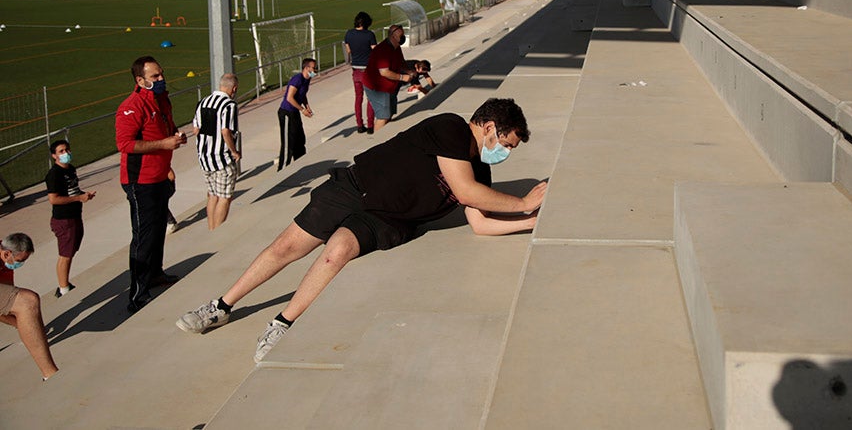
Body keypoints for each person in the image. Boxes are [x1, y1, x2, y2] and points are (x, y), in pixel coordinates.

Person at [177, 97, 547, 363]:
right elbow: (466, 192)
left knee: (337, 250)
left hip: (388, 219)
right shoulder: (449, 126)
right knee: (287, 246)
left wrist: (534, 220)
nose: (505, 152)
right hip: (353, 187)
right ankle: (221, 306)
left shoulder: (479, 170)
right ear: (488, 127)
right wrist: (524, 203)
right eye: (507, 143)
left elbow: (479, 223)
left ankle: (282, 323)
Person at [115, 55, 186, 312]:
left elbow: (166, 128)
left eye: (161, 74)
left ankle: (155, 274)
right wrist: (163, 144)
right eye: (155, 76)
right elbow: (125, 144)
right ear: (140, 80)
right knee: (143, 236)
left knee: (157, 231)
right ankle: (137, 294)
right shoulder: (131, 106)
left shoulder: (162, 99)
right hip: (140, 182)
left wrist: (175, 137)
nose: (161, 79)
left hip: (160, 177)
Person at [1, 233, 59, 380]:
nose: (20, 264)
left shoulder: (5, 258)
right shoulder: (7, 255)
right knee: (28, 301)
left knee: (25, 305)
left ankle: (49, 372)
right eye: (20, 261)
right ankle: (51, 374)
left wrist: (26, 327)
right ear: (7, 253)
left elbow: (6, 304)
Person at [46, 139, 96, 297]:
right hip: (64, 220)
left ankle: (65, 285)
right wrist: (78, 198)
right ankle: (63, 288)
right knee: (65, 255)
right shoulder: (54, 174)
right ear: (54, 156)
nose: (66, 153)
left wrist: (83, 195)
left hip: (75, 216)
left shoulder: (70, 169)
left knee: (71, 251)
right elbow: (54, 199)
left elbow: (73, 189)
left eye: (67, 150)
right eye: (61, 151)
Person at [192, 73, 241, 230]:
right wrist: (234, 151)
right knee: (225, 197)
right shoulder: (229, 105)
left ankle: (211, 228)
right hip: (222, 159)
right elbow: (225, 131)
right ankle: (217, 231)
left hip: (205, 158)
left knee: (212, 195)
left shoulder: (203, 102)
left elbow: (195, 129)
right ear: (234, 88)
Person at [361, 24, 411, 132]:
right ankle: (375, 142)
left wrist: (409, 71)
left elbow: (400, 62)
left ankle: (385, 136)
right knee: (383, 116)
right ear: (393, 36)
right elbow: (384, 72)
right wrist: (402, 77)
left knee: (390, 113)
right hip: (378, 88)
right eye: (400, 35)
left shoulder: (396, 47)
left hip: (389, 87)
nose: (403, 37)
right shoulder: (383, 50)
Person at [277, 58, 317, 170]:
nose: (315, 70)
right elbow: (290, 98)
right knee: (288, 142)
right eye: (313, 68)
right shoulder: (297, 79)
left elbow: (302, 94)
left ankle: (301, 163)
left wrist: (307, 107)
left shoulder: (307, 79)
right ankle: (283, 169)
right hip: (287, 112)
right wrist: (302, 110)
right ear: (306, 68)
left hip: (295, 112)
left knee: (300, 139)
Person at [343, 11, 377, 134]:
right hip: (368, 70)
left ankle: (359, 124)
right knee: (371, 98)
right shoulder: (369, 35)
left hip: (356, 69)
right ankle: (371, 125)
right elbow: (375, 51)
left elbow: (348, 50)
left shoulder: (349, 34)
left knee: (358, 98)